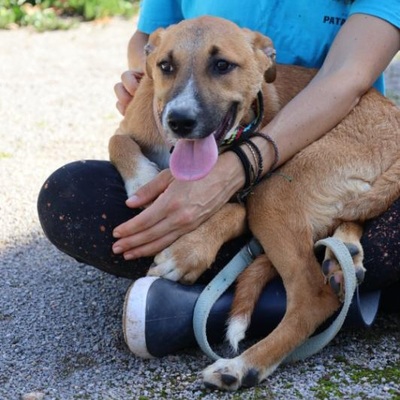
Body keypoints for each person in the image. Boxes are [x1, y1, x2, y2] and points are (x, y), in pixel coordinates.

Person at [38, 1, 400, 356]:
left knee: (274, 205)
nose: (188, 101)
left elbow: (347, 77)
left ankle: (211, 304)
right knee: (71, 196)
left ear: (265, 63)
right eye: (166, 67)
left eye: (222, 66)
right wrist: (148, 76)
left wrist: (241, 169)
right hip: (291, 201)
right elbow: (147, 39)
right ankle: (325, 275)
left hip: (338, 147)